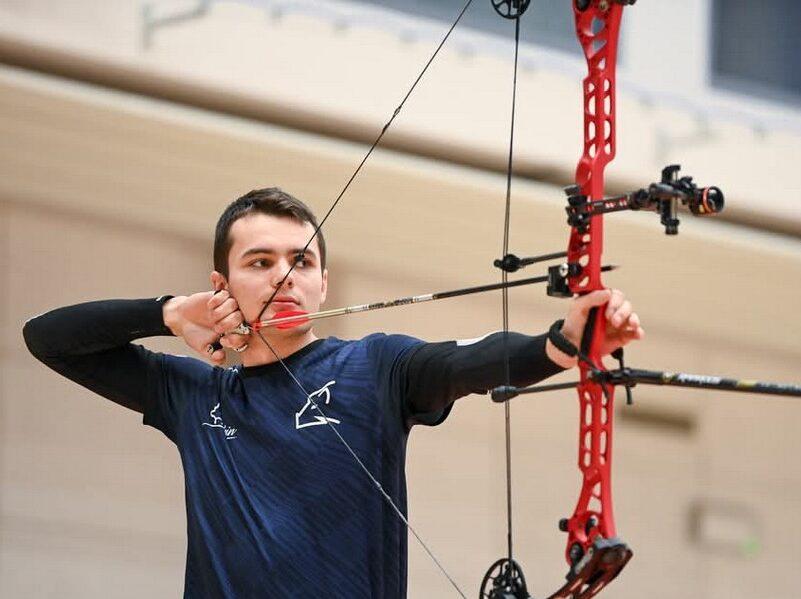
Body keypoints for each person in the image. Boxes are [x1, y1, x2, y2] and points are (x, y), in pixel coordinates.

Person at [23, 188, 644, 599]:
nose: (285, 277)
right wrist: (169, 312)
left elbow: (463, 362)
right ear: (222, 283)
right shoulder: (194, 396)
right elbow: (49, 339)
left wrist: (562, 342)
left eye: (302, 262)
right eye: (260, 262)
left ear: (324, 282)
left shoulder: (375, 367)